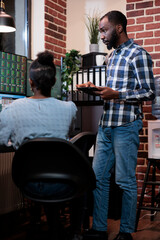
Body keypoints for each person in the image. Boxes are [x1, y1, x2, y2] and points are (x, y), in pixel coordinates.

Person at [77, 11, 155, 240]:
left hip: (126, 125)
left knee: (124, 180)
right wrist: (95, 88)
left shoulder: (138, 54)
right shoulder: (111, 57)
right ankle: (100, 228)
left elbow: (149, 92)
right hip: (106, 125)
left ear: (119, 28)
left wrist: (117, 94)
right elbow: (110, 93)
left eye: (104, 30)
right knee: (98, 177)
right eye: (100, 31)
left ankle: (126, 232)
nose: (101, 35)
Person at [0, 50, 77, 239]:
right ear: (53, 82)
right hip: (63, 182)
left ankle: (36, 222)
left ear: (31, 82)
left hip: (29, 184)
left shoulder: (11, 109)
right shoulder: (70, 108)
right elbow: (66, 135)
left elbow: (2, 141)